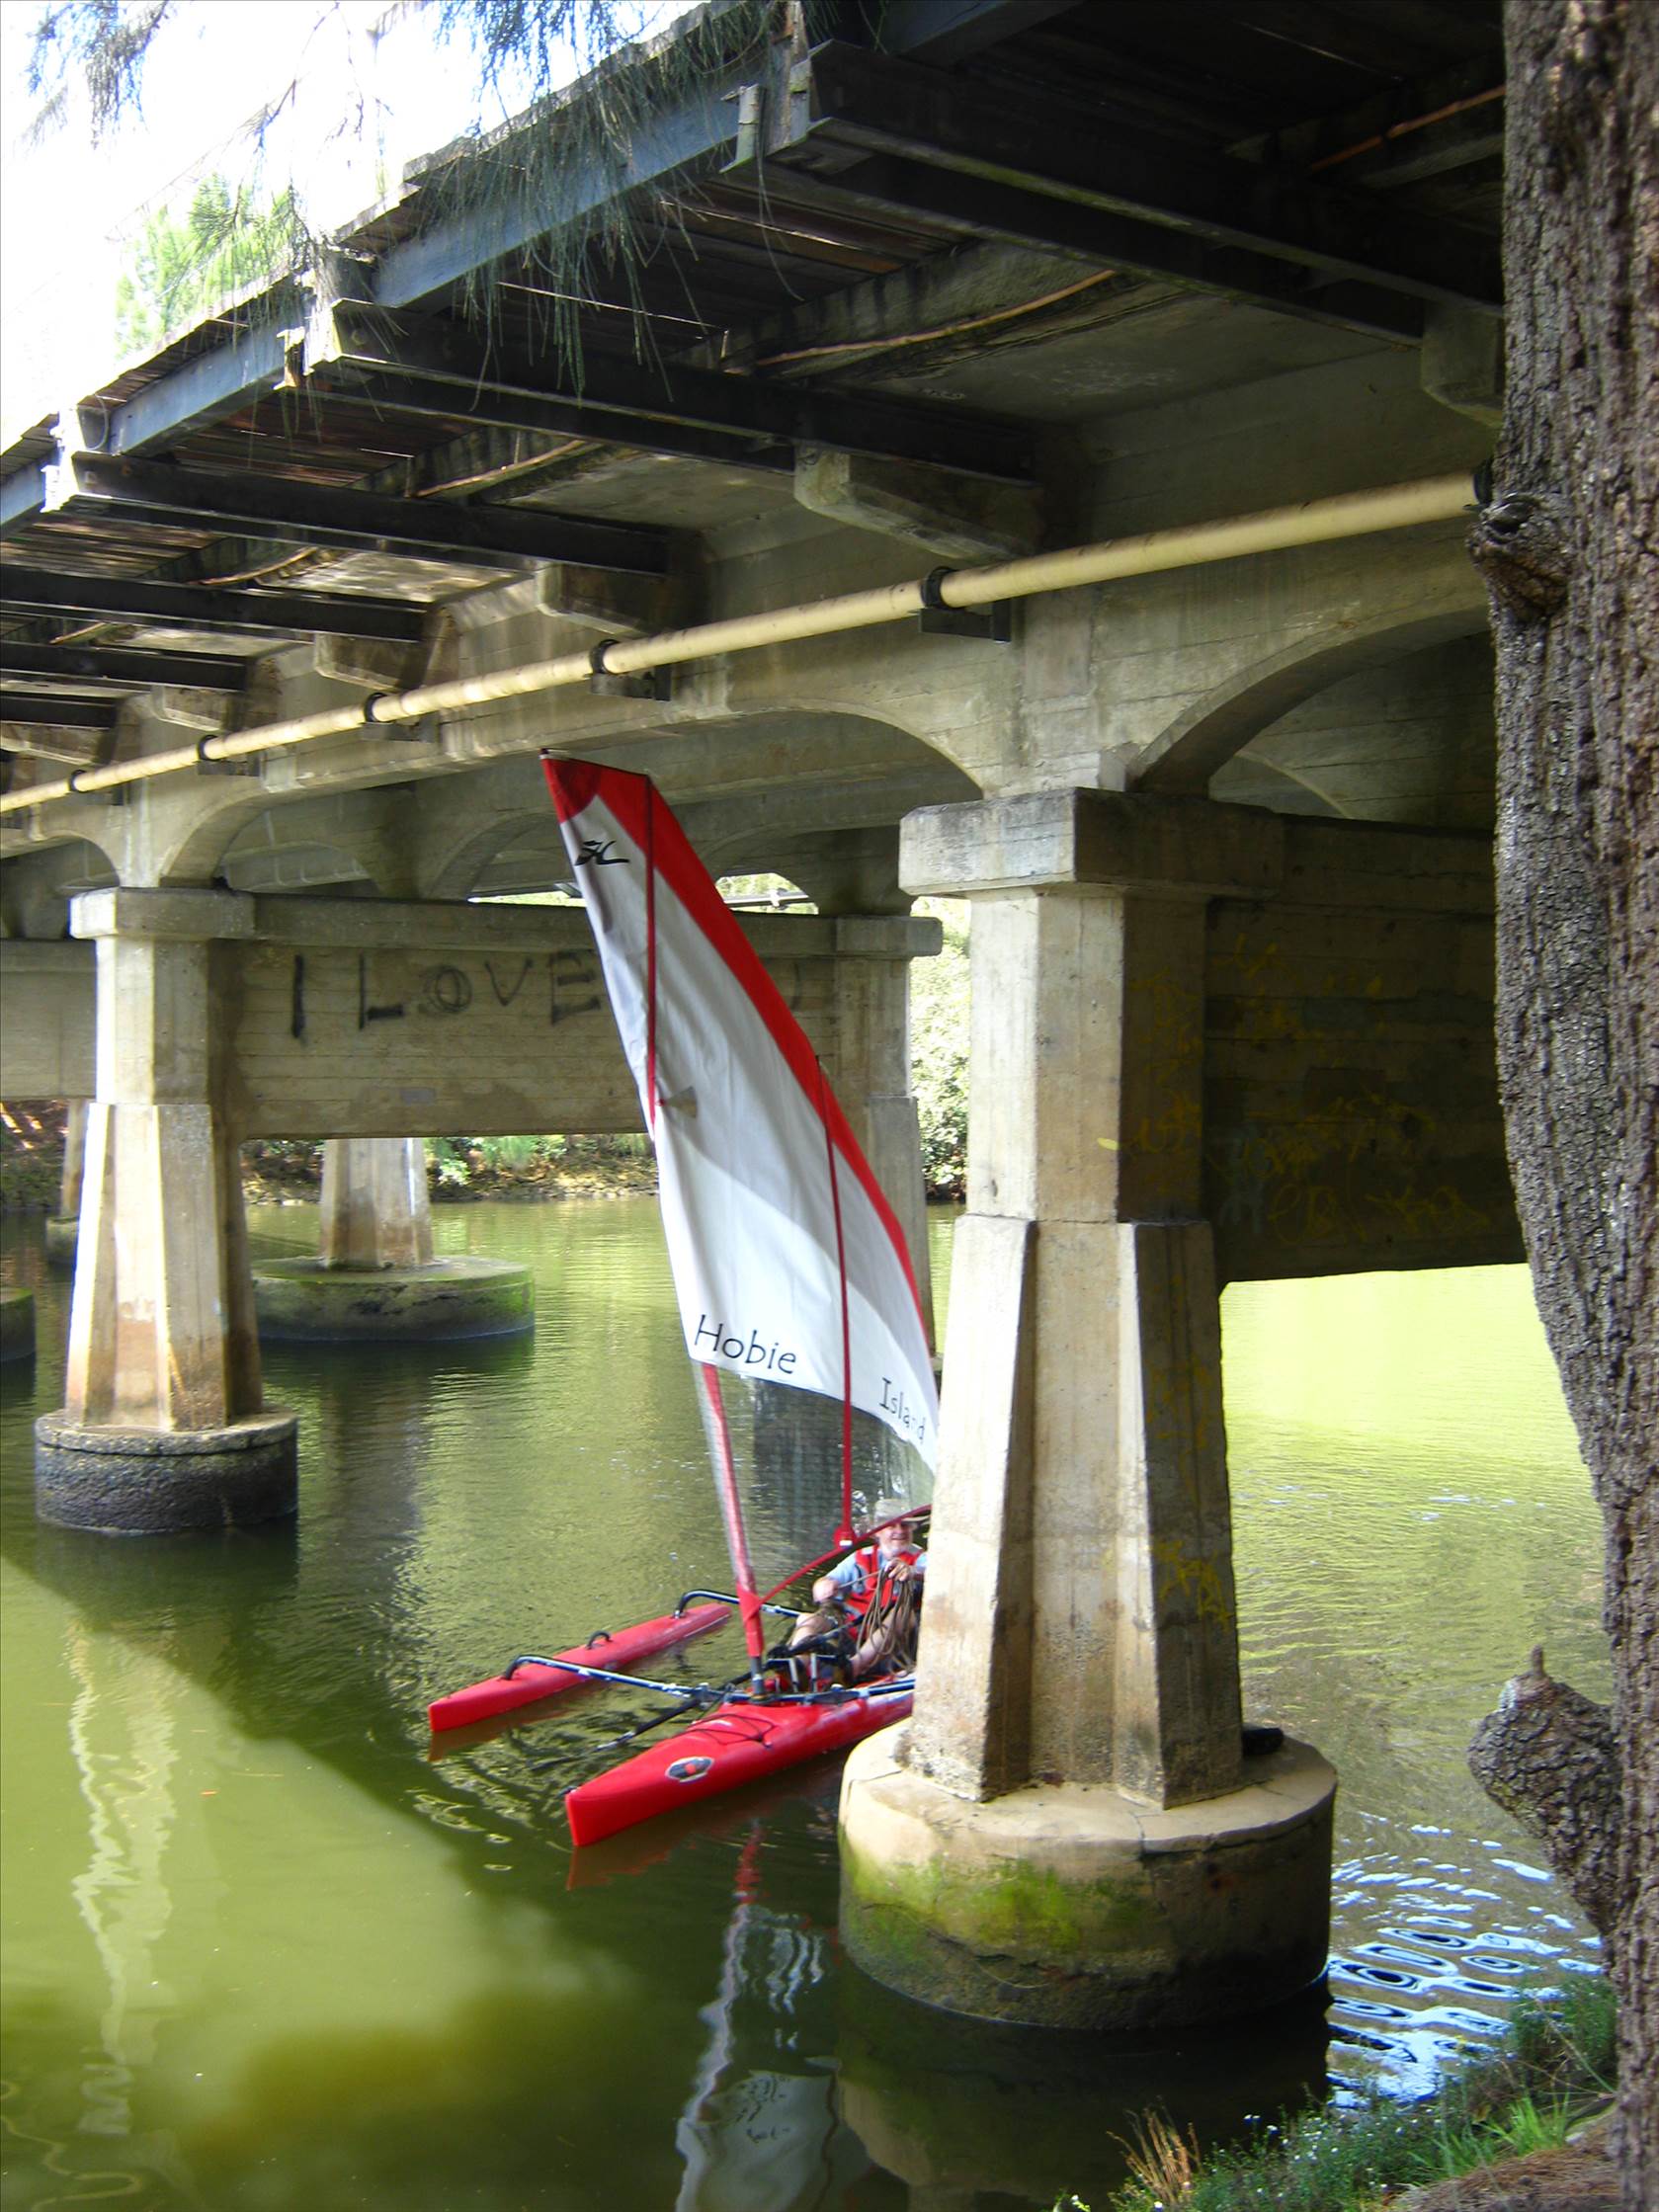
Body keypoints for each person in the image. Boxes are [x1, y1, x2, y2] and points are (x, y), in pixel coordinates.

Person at [780, 1499, 927, 1680]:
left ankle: (854, 1668)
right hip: (852, 1635)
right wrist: (823, 1585)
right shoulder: (860, 1558)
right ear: (878, 1531)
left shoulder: (921, 1558)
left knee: (903, 1614)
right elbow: (825, 1582)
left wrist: (913, 1572)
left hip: (893, 1646)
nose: (899, 1531)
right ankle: (797, 1665)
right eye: (891, 1526)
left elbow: (936, 1574)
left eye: (905, 1525)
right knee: (808, 1619)